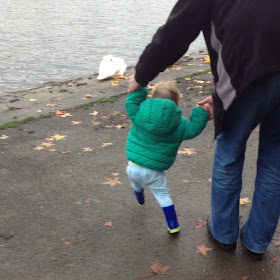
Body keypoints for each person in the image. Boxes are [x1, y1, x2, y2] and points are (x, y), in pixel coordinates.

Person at [127, 0, 280, 260]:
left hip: (244, 74)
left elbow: (177, 30)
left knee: (229, 154)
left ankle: (224, 234)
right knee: (275, 163)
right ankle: (257, 243)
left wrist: (142, 75)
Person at [125, 81, 209, 233]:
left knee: (136, 184)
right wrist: (201, 111)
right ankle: (173, 225)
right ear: (176, 101)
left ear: (152, 97)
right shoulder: (180, 124)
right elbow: (194, 129)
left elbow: (131, 101)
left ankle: (140, 199)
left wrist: (140, 88)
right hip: (154, 172)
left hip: (132, 167)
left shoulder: (139, 113)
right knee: (162, 196)